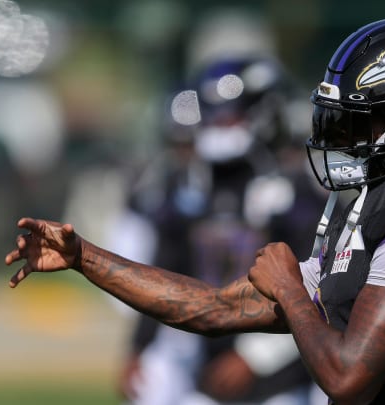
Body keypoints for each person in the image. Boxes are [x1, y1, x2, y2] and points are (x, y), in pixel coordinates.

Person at [5, 17, 385, 404]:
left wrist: (289, 287)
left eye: (359, 122)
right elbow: (213, 308)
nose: (342, 139)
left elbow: (348, 377)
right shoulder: (369, 205)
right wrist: (83, 256)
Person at [115, 56, 326, 405]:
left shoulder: (296, 195)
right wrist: (138, 347)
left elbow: (320, 292)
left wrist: (254, 357)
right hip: (211, 363)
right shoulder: (191, 191)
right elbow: (164, 271)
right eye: (214, 116)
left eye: (231, 116)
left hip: (284, 375)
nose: (220, 126)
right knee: (155, 384)